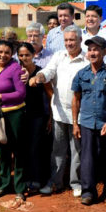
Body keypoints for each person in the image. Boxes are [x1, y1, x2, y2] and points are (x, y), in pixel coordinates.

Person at [32, 25, 88, 196]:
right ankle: (56, 181)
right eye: (66, 40)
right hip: (59, 112)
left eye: (72, 40)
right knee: (58, 150)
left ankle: (76, 183)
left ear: (80, 40)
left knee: (77, 150)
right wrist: (40, 77)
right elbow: (48, 71)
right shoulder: (59, 56)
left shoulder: (86, 60)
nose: (69, 43)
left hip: (79, 114)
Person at [71, 36, 106, 206]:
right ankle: (88, 191)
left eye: (96, 49)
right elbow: (76, 99)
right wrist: (75, 123)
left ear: (104, 52)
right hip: (86, 122)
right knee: (87, 158)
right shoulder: (81, 74)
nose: (93, 52)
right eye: (90, 49)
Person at [0, 40, 28, 205]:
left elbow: (21, 93)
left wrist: (0, 97)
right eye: (0, 52)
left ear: (12, 54)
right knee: (3, 151)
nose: (3, 55)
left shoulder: (15, 68)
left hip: (15, 114)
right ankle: (4, 185)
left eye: (7, 52)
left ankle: (19, 188)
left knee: (18, 152)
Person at [17, 42, 51, 193]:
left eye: (27, 55)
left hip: (38, 116)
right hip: (20, 115)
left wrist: (50, 117)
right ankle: (24, 180)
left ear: (33, 55)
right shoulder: (15, 72)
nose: (24, 58)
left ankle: (37, 180)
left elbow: (50, 95)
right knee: (22, 148)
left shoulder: (40, 73)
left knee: (36, 148)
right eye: (21, 55)